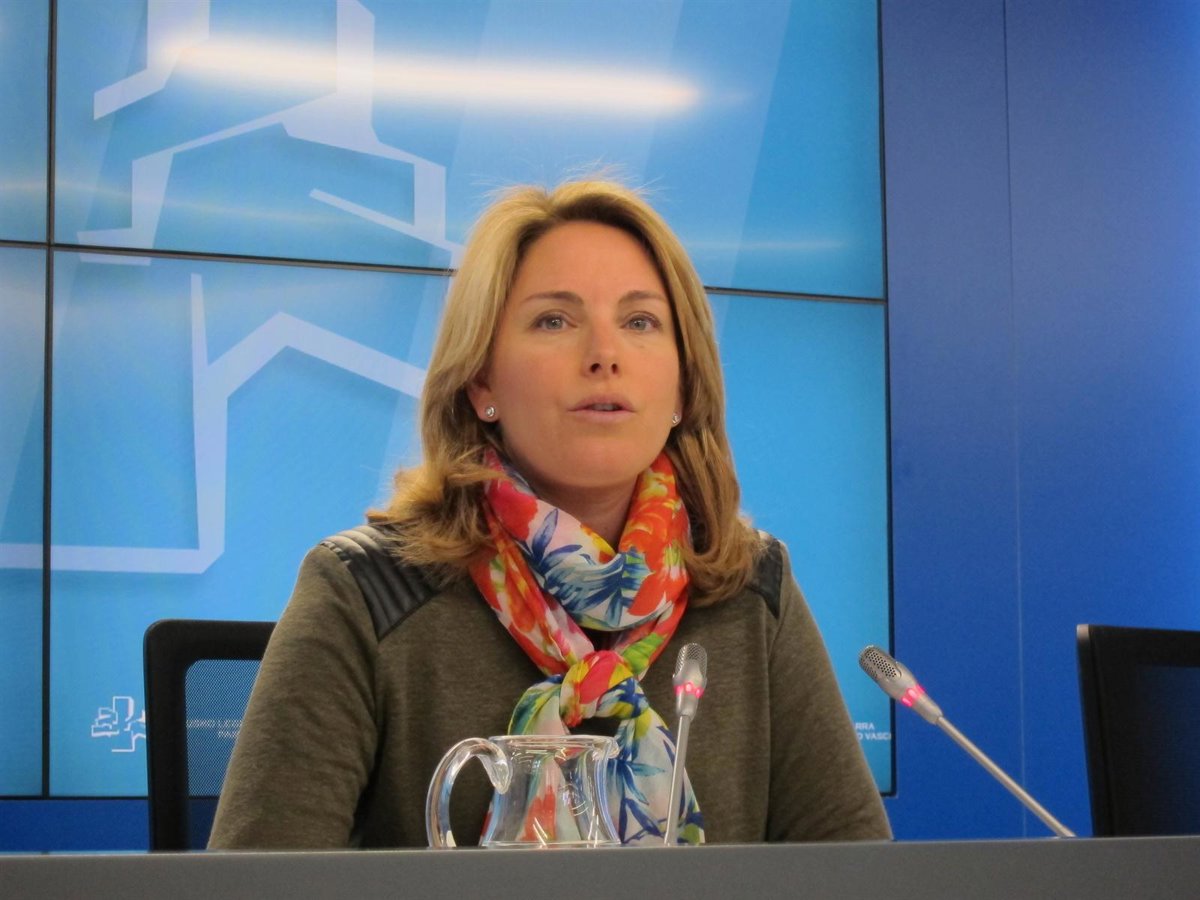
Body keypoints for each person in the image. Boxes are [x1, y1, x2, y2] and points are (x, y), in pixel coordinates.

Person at [208, 179, 891, 849]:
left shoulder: (750, 587)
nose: (604, 356)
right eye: (554, 321)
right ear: (480, 380)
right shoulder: (365, 590)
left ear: (683, 386)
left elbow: (857, 874)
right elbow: (257, 886)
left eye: (640, 322)